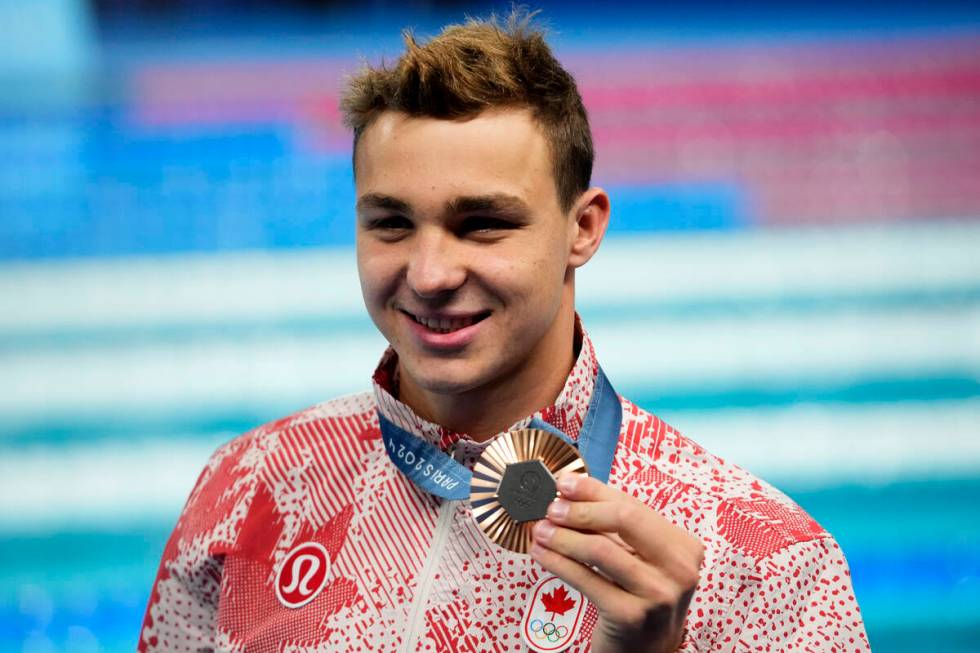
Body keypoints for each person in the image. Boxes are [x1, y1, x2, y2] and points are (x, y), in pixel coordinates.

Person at [139, 11, 869, 653]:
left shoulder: (764, 563)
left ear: (583, 228)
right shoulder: (246, 492)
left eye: (482, 224)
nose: (428, 273)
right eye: (391, 223)